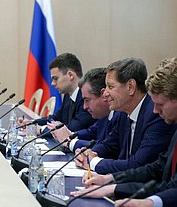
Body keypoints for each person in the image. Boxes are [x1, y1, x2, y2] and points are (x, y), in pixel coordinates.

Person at [71, 57, 177, 207]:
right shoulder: (123, 113)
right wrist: (110, 179)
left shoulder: (156, 118)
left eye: (110, 86)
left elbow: (141, 165)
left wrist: (148, 202)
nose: (155, 109)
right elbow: (157, 167)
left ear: (130, 87)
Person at [51, 68, 125, 151]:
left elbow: (107, 148)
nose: (84, 107)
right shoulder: (104, 114)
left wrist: (70, 142)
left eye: (87, 100)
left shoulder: (121, 116)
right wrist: (71, 135)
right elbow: (92, 132)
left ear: (103, 95)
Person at [30, 53, 96, 136]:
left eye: (55, 79)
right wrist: (31, 123)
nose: (52, 83)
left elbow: (70, 129)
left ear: (70, 75)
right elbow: (56, 118)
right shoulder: (68, 95)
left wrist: (41, 129)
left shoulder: (86, 98)